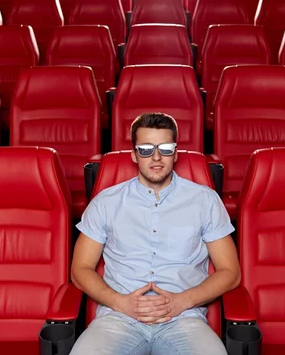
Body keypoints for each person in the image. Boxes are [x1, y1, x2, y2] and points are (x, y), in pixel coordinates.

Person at [70, 112, 240, 354]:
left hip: (184, 319)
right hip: (118, 319)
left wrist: (182, 301)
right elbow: (80, 269)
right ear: (134, 155)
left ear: (176, 153)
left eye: (166, 148)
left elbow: (230, 272)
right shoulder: (106, 202)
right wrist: (121, 303)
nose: (157, 157)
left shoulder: (205, 200)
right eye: (146, 149)